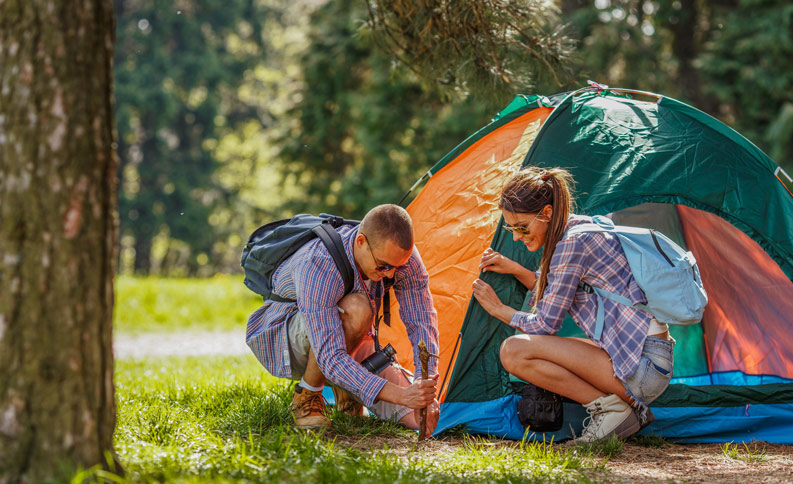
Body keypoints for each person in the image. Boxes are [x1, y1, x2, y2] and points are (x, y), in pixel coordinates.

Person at [471, 167, 674, 443]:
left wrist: (499, 310)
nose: (517, 236)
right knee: (546, 347)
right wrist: (516, 269)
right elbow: (558, 287)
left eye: (521, 227)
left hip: (643, 366)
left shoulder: (572, 244)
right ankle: (627, 409)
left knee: (513, 351)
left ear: (546, 213)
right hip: (648, 358)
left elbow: (546, 324)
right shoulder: (580, 228)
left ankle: (611, 411)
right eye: (511, 228)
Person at [246, 204, 440, 436]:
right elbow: (330, 357)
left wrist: (424, 384)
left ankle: (346, 390)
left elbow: (422, 322)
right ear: (361, 242)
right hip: (288, 338)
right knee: (357, 309)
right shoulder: (318, 262)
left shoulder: (401, 259)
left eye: (396, 268)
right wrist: (401, 395)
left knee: (423, 421)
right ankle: (307, 397)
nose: (390, 274)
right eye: (383, 266)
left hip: (348, 341)